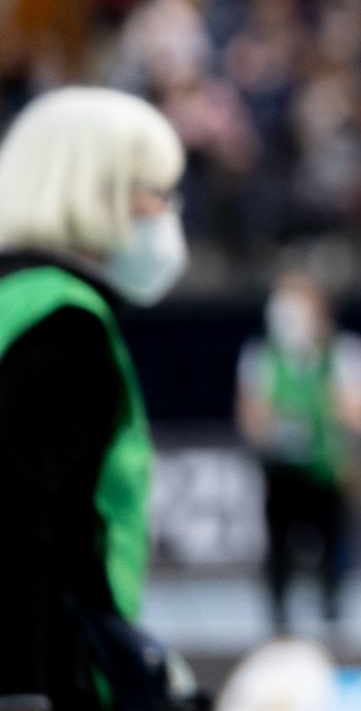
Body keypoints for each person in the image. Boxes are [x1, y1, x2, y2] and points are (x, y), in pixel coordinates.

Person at [0, 87, 202, 709]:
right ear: (98, 190)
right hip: (45, 667)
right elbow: (17, 521)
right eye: (156, 192)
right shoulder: (61, 324)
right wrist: (24, 692)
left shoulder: (15, 300)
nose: (167, 212)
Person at [235, 270, 361, 636]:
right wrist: (270, 418)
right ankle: (278, 627)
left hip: (330, 471)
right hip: (282, 473)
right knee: (279, 553)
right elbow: (248, 418)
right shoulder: (262, 356)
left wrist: (332, 405)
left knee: (332, 556)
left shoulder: (347, 353)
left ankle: (332, 623)